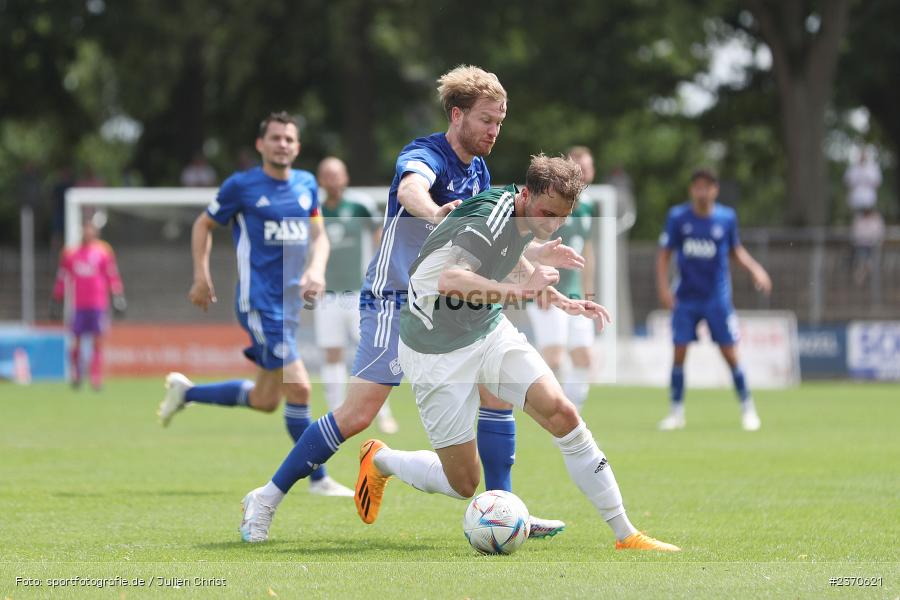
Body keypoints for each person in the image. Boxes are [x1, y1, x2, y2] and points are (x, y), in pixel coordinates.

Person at [236, 67, 583, 543]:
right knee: (357, 414)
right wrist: (436, 211)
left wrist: (538, 267)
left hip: (447, 307)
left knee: (496, 389)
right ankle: (267, 497)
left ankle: (506, 509)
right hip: (394, 301)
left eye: (500, 122)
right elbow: (410, 189)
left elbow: (489, 242)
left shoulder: (479, 171)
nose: (494, 131)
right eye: (486, 120)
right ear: (457, 114)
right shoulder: (425, 154)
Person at [352, 155, 679, 551]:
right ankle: (381, 459)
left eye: (562, 217)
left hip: (487, 330)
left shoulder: (525, 215)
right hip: (434, 349)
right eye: (548, 213)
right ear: (526, 194)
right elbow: (450, 278)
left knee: (563, 413)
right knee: (463, 483)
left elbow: (509, 258)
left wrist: (560, 299)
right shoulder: (491, 215)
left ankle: (627, 534)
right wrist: (524, 292)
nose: (552, 224)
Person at [157, 112, 353, 497]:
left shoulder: (306, 184)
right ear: (260, 144)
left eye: (289, 139)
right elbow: (203, 225)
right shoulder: (241, 186)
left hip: (291, 306)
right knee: (300, 389)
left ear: (297, 147)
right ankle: (318, 480)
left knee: (266, 400)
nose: (282, 144)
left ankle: (186, 393)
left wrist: (317, 268)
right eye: (275, 138)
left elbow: (320, 237)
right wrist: (201, 275)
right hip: (259, 303)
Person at [656, 168, 771, 431]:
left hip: (716, 298)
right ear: (691, 190)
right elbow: (664, 254)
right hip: (685, 298)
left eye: (706, 186)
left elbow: (735, 250)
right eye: (697, 186)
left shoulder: (726, 218)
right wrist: (664, 289)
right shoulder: (678, 217)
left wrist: (756, 269)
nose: (702, 191)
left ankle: (748, 408)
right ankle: (676, 412)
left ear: (715, 190)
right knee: (679, 352)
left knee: (730, 353)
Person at [315, 156, 399, 433]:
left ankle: (382, 413)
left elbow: (380, 236)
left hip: (359, 294)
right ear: (320, 180)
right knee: (332, 354)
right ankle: (335, 413)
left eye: (336, 174)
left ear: (345, 177)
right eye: (327, 175)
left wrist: (381, 274)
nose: (332, 180)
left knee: (371, 351)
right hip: (326, 296)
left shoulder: (360, 203)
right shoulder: (313, 210)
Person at [526, 146, 597, 412]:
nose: (583, 172)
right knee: (553, 358)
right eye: (577, 167)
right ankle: (550, 410)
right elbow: (530, 242)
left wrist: (589, 292)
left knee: (584, 357)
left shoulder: (588, 208)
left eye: (587, 167)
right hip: (548, 291)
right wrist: (538, 285)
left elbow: (587, 252)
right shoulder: (549, 205)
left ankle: (571, 413)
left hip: (576, 292)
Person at [51, 221, 126, 390]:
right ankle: (76, 375)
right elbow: (62, 277)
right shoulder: (70, 253)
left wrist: (118, 296)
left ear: (95, 233)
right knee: (75, 342)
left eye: (91, 230)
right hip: (78, 306)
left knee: (97, 342)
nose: (88, 233)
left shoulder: (103, 252)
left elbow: (111, 275)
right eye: (85, 230)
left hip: (98, 305)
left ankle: (96, 377)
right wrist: (57, 298)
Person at [851, 206, 885, 286]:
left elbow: (880, 231)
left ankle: (861, 278)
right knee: (862, 263)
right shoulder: (858, 219)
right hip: (862, 245)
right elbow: (856, 232)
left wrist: (878, 241)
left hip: (873, 245)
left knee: (870, 264)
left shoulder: (877, 218)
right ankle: (860, 279)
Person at [844, 148, 882, 213]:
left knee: (868, 210)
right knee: (858, 212)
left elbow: (877, 181)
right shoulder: (853, 168)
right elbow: (847, 180)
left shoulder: (872, 167)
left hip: (869, 194)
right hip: (857, 193)